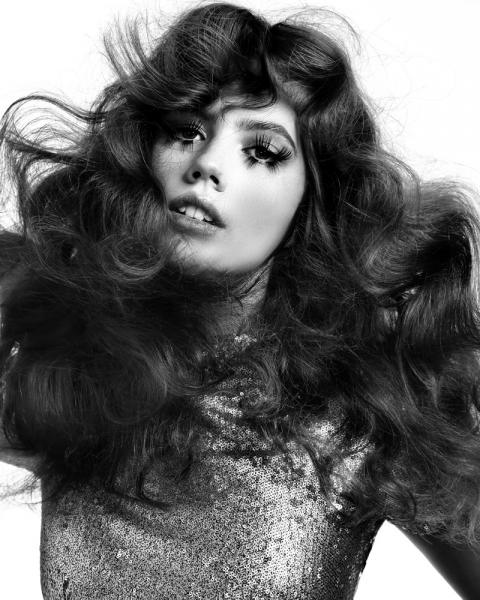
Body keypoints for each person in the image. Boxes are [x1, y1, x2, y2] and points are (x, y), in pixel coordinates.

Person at [1, 2, 480, 598]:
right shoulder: (69, 373)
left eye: (262, 152)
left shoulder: (365, 413)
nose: (206, 165)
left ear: (313, 201)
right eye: (186, 131)